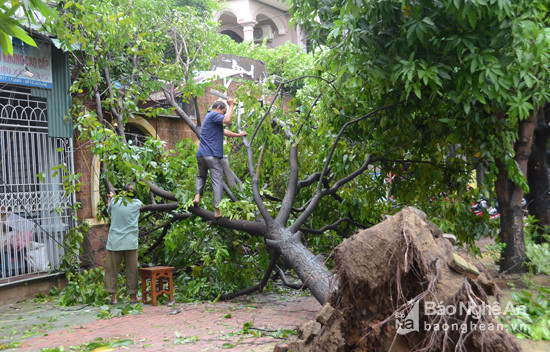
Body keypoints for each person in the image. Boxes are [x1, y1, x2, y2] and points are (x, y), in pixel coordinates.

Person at [193, 98, 247, 218]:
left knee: (201, 176)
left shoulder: (210, 119)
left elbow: (224, 131)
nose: (223, 115)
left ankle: (197, 195)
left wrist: (238, 135)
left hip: (201, 155)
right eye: (223, 112)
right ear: (218, 108)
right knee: (217, 181)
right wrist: (231, 105)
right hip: (212, 156)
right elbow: (227, 120)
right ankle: (217, 210)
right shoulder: (213, 114)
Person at [104, 182, 142, 305]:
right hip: (130, 242)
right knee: (132, 270)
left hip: (115, 242)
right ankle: (133, 297)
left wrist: (111, 198)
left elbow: (108, 210)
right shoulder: (137, 204)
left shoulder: (115, 202)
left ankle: (113, 298)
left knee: (112, 270)